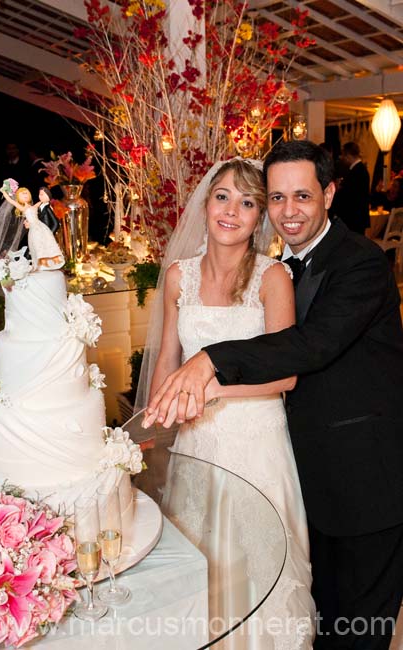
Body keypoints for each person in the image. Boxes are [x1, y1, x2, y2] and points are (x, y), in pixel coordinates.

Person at [144, 140, 403, 649]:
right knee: (309, 611)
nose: (288, 211)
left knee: (357, 625)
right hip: (306, 467)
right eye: (278, 197)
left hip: (366, 478)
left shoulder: (359, 264)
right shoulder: (287, 262)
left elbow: (307, 348)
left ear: (329, 194)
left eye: (302, 196)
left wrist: (211, 362)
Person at [139, 157, 315, 648]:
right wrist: (156, 417)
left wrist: (211, 389)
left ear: (260, 217)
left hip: (257, 443)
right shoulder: (179, 277)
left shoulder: (272, 277)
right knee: (203, 562)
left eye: (248, 202)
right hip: (196, 446)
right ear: (206, 202)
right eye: (223, 197)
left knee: (261, 567)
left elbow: (286, 375)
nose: (231, 211)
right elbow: (168, 360)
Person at [0, 186, 64, 271]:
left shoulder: (34, 206)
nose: (25, 195)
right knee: (38, 245)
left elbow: (43, 201)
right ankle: (42, 262)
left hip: (41, 227)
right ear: (18, 198)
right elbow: (11, 201)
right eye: (22, 194)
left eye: (26, 193)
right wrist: (4, 192)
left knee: (48, 243)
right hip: (34, 228)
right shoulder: (23, 208)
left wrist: (46, 196)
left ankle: (53, 260)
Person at [332, 141, 370, 234]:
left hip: (353, 218)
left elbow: (349, 196)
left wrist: (338, 190)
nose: (343, 158)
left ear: (348, 155)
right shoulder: (360, 169)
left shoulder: (357, 172)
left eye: (344, 156)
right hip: (357, 217)